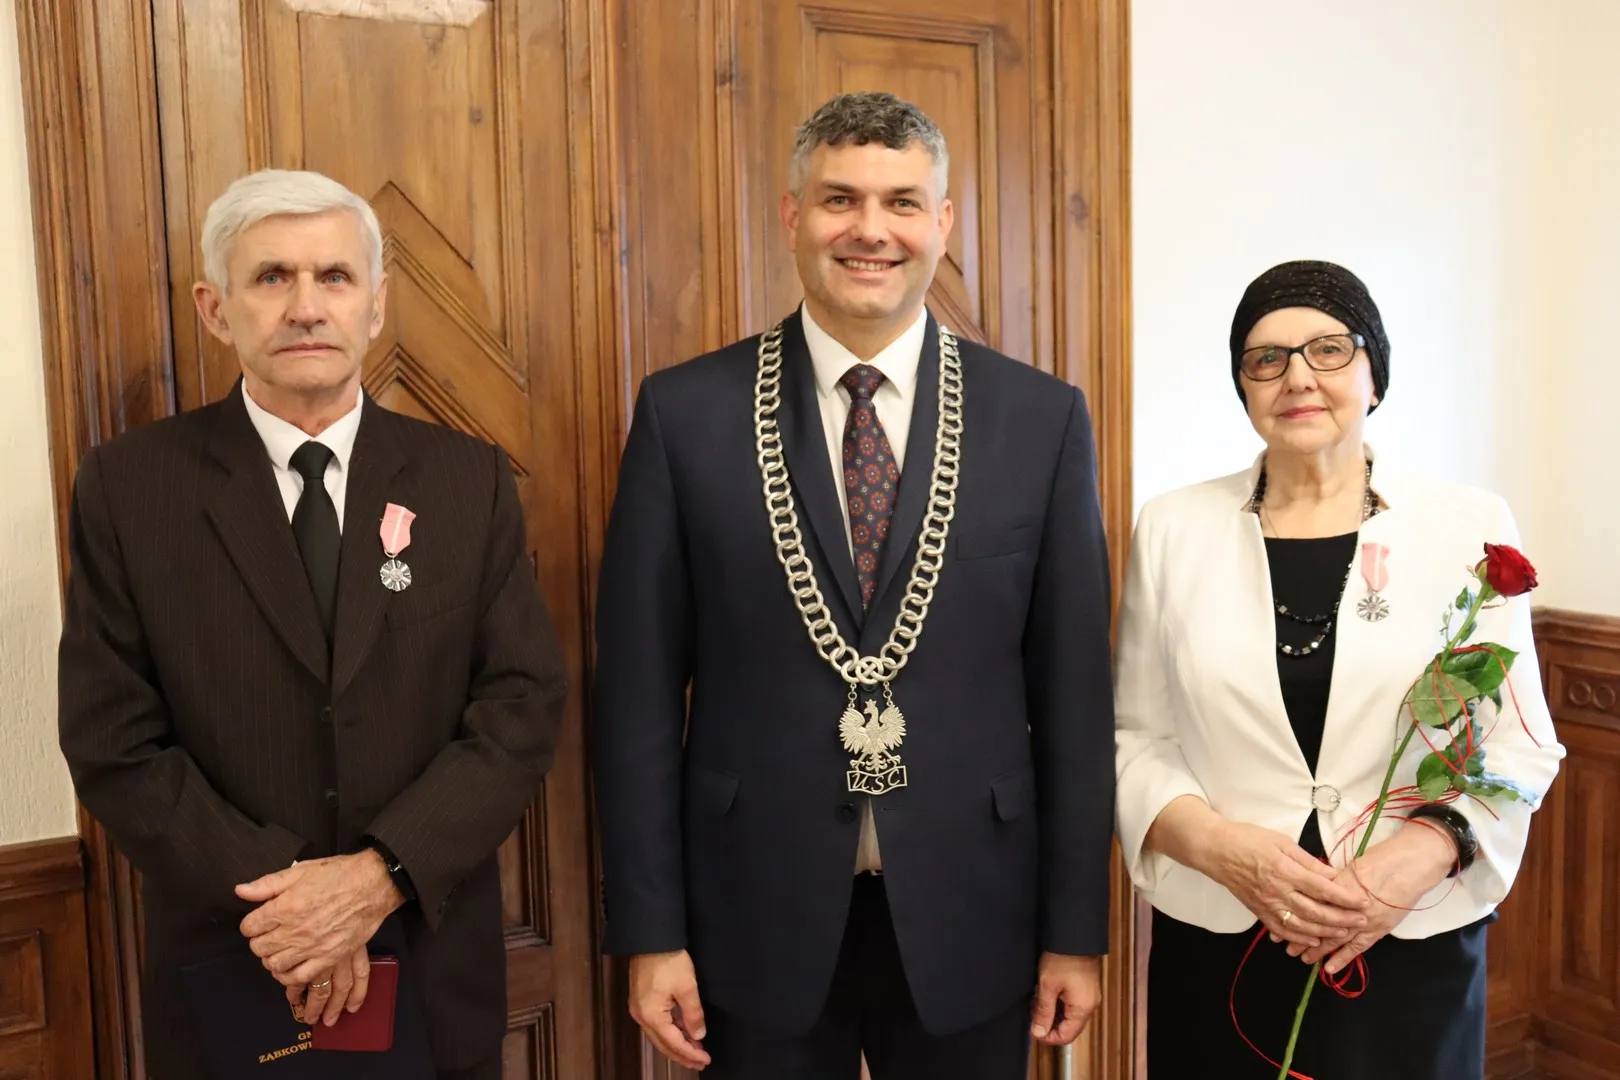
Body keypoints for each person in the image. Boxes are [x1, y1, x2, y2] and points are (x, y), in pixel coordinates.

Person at [592, 91, 1117, 1078]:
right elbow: (637, 703)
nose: (871, 230)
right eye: (840, 199)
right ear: (792, 216)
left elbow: (1077, 706)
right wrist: (651, 933)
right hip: (752, 910)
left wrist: (1075, 931)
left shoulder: (1041, 421)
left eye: (902, 203)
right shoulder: (684, 415)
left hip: (976, 911)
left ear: (943, 222)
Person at [56, 169, 568, 1080]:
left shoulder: (469, 482)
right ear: (216, 309)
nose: (305, 307)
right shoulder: (129, 489)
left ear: (376, 305)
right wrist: (294, 909)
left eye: (334, 276)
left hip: (431, 963)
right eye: (271, 277)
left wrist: (375, 880)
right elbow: (112, 741)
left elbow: (520, 708)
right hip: (237, 964)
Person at [1114, 260, 1566, 1078]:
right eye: (1267, 358)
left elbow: (1519, 744)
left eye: (1328, 349)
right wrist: (1221, 848)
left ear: (1374, 373)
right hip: (1226, 926)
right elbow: (1135, 736)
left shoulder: (1467, 524)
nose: (1297, 377)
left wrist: (1423, 851)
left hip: (1405, 926)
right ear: (1243, 385)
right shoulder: (1174, 527)